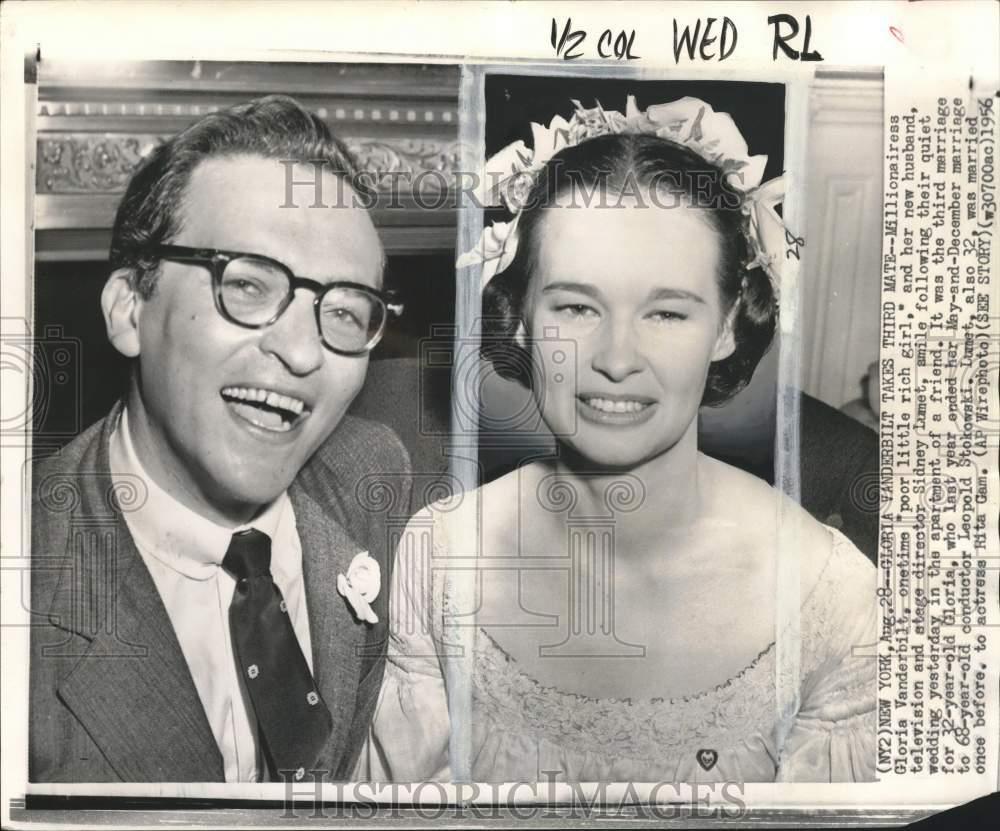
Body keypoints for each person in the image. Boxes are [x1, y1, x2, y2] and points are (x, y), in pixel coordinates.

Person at [361, 96, 877, 783]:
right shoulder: (438, 555)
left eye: (666, 311)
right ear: (517, 319)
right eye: (576, 305)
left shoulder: (832, 598)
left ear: (726, 326)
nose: (616, 357)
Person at [29, 95, 411, 783]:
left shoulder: (371, 472)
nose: (300, 352)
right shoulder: (26, 589)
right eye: (248, 285)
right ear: (130, 309)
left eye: (347, 309)